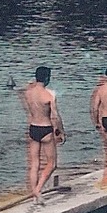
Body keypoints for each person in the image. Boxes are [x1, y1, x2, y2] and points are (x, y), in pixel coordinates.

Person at [20, 65, 65, 203]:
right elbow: (56, 116)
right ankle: (38, 190)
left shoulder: (28, 93)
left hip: (33, 128)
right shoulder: (50, 94)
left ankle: (35, 194)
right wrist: (61, 131)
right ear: (46, 78)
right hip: (45, 128)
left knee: (34, 164)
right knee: (52, 164)